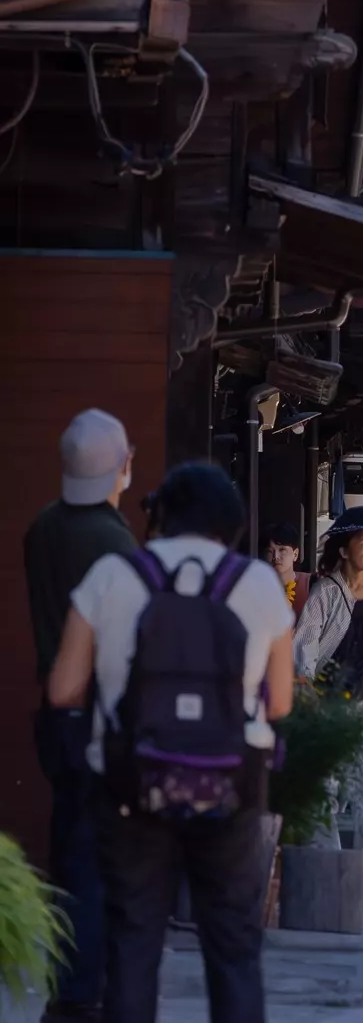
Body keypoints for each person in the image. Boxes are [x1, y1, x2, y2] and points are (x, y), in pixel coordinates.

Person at [48, 461, 295, 1023]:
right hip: (232, 782)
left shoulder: (114, 575)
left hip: (130, 782)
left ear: (160, 516)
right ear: (229, 522)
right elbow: (279, 703)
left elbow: (63, 687)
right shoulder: (256, 582)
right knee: (232, 944)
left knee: (134, 940)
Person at [25, 409, 135, 1023]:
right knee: (95, 861)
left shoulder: (42, 528)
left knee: (68, 854)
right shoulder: (114, 542)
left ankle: (66, 983)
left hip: (53, 710)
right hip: (94, 711)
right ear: (121, 467)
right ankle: (81, 993)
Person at [296, 526, 363, 886]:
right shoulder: (326, 592)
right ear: (343, 551)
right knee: (324, 789)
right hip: (327, 704)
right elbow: (305, 646)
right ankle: (328, 862)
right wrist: (307, 689)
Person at [258, 523, 311, 618]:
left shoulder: (310, 584)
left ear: (295, 554)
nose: (276, 557)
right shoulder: (258, 588)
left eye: (282, 550)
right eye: (270, 551)